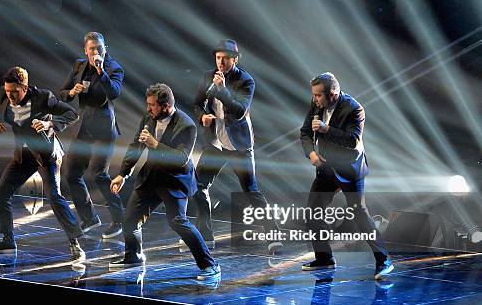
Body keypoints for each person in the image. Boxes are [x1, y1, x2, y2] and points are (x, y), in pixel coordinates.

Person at [108, 83, 221, 281]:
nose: (148, 108)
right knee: (130, 219)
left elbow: (181, 158)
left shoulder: (187, 125)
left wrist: (155, 144)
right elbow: (136, 146)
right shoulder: (148, 117)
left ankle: (211, 265)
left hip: (174, 180)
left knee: (178, 222)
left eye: (152, 105)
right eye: (148, 104)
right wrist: (123, 174)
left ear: (166, 106)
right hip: (151, 176)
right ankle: (133, 256)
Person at [0, 66, 85, 263]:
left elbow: (72, 114)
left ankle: (75, 244)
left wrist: (49, 124)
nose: (10, 95)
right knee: (1, 194)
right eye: (7, 91)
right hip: (24, 154)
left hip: (46, 153)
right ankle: (8, 240)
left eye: (14, 92)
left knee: (54, 196)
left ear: (25, 88)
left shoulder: (43, 97)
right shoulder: (3, 94)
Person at [299, 72, 393, 280]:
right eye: (314, 95)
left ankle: (383, 260)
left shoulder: (354, 108)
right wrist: (311, 153)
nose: (315, 100)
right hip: (326, 167)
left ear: (332, 94)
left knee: (359, 215)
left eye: (318, 96)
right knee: (313, 213)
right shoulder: (316, 104)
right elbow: (305, 132)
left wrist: (326, 129)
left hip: (349, 168)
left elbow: (352, 140)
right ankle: (324, 258)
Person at [191, 39, 278, 252]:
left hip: (238, 143)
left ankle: (273, 234)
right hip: (215, 142)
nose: (221, 62)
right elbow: (196, 104)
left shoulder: (245, 81)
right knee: (199, 186)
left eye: (226, 59)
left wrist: (221, 90)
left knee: (251, 190)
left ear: (235, 59)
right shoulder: (207, 76)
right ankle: (206, 234)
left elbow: (239, 111)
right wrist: (202, 116)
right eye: (218, 58)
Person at [59, 31, 125, 239]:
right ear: (85, 51)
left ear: (106, 49)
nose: (96, 52)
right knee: (71, 172)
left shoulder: (113, 68)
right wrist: (72, 92)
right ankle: (89, 217)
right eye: (92, 49)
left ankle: (119, 219)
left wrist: (100, 70)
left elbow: (114, 92)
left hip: (104, 130)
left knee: (99, 173)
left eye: (100, 48)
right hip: (85, 127)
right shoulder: (79, 66)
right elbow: (62, 93)